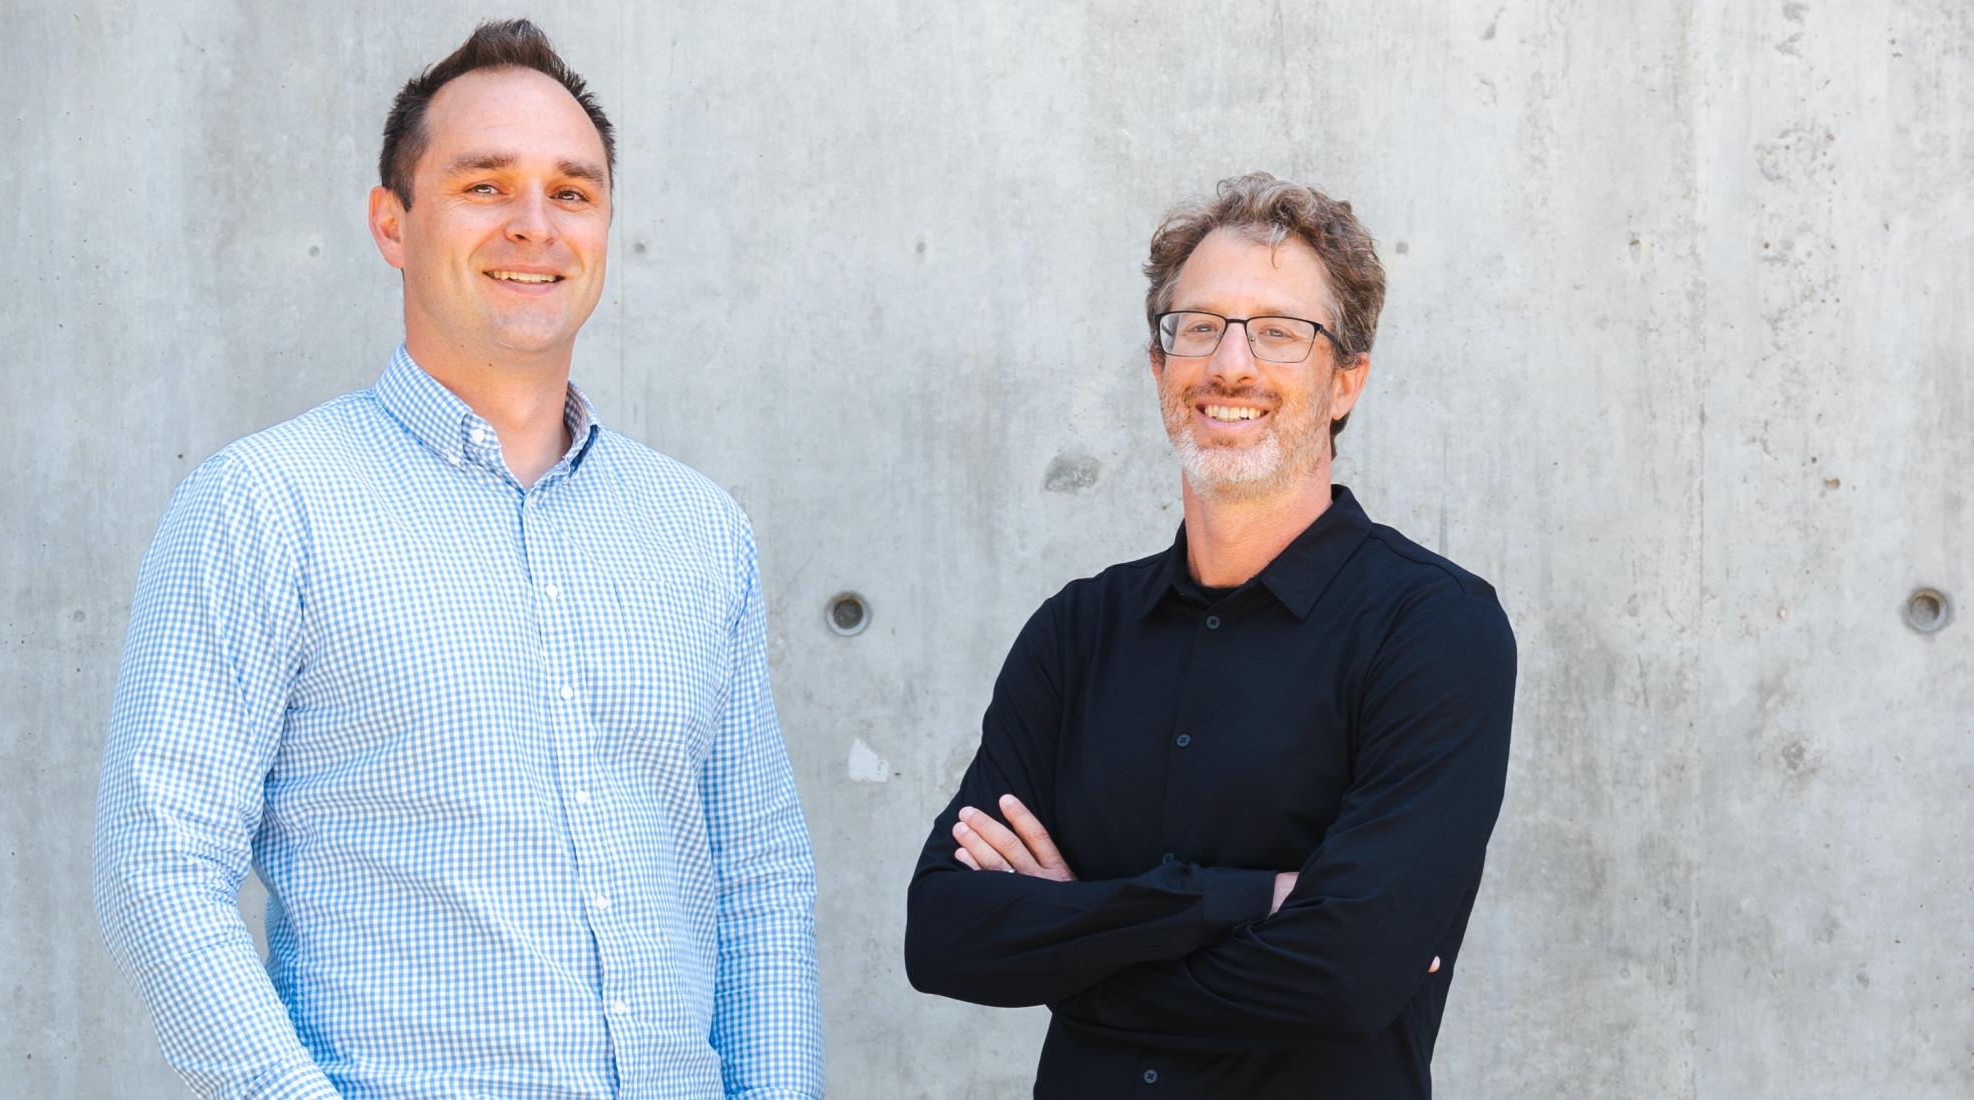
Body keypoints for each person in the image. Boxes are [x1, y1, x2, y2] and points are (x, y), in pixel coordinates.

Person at [92, 20, 822, 1099]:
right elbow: (159, 867)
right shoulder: (266, 506)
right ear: (393, 222)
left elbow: (759, 879)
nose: (536, 225)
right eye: (487, 185)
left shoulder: (698, 527)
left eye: (572, 192)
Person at [904, 173, 1516, 1098]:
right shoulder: (1077, 633)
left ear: (1346, 378)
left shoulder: (1433, 630)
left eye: (1279, 332)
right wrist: (1242, 900)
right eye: (1199, 327)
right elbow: (947, 934)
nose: (1231, 364)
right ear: (1160, 367)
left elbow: (1347, 977)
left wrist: (1074, 938)